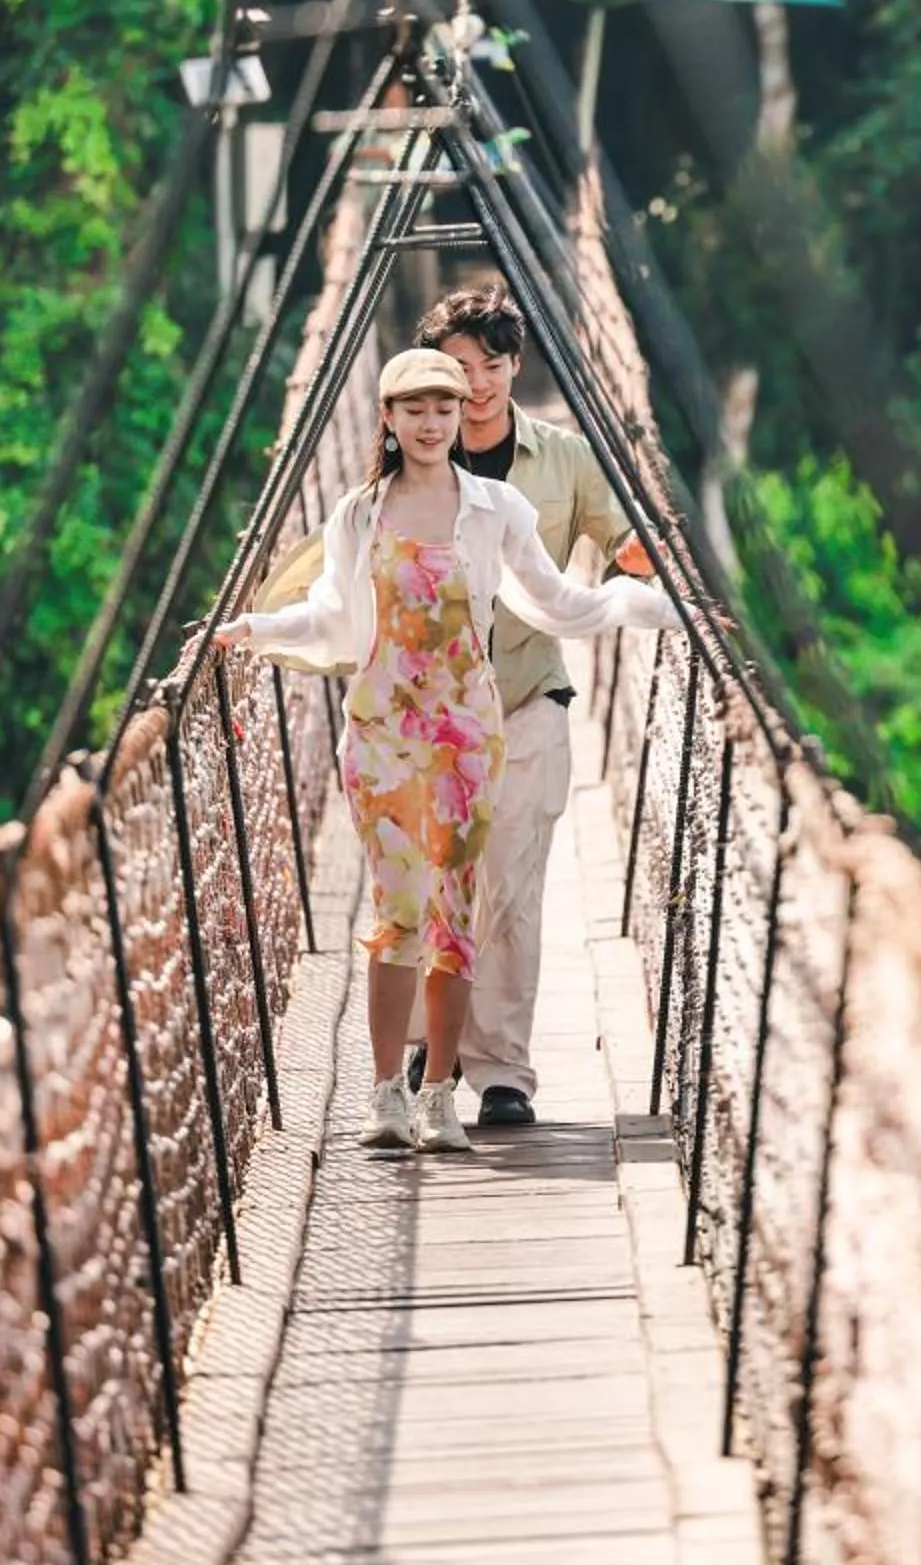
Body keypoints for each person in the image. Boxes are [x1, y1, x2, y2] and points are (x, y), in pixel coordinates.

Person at [217, 347, 684, 1154]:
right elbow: (330, 618)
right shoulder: (358, 515)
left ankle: (440, 1095)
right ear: (389, 421)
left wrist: (665, 610)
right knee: (396, 913)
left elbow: (561, 603)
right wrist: (252, 629)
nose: (433, 423)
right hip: (382, 738)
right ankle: (384, 1094)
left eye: (444, 407)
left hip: (469, 735)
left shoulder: (496, 507)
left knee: (456, 915)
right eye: (416, 409)